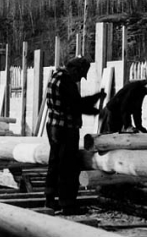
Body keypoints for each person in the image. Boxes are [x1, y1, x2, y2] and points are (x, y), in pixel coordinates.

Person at [44, 57, 106, 215]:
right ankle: (68, 204)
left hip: (53, 126)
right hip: (66, 128)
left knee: (55, 162)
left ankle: (50, 200)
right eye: (80, 75)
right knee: (69, 166)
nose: (79, 79)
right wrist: (98, 109)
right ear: (75, 70)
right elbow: (77, 105)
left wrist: (96, 98)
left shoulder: (56, 76)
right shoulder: (66, 82)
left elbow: (74, 102)